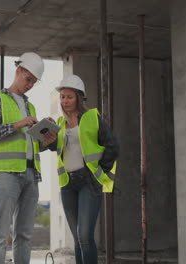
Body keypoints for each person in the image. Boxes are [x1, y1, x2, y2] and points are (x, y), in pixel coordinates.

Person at [0, 52, 56, 264]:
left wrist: (45, 140)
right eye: (28, 79)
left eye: (34, 82)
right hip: (6, 174)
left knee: (24, 235)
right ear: (18, 71)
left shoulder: (30, 106)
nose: (30, 84)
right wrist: (18, 124)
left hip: (31, 176)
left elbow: (30, 145)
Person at [47, 74, 119, 264]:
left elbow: (112, 146)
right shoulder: (60, 124)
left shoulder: (92, 118)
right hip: (68, 184)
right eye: (62, 97)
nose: (65, 101)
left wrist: (98, 172)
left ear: (79, 97)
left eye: (69, 97)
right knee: (78, 239)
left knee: (85, 236)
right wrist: (50, 138)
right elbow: (58, 150)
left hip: (89, 182)